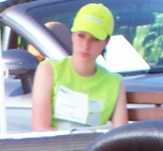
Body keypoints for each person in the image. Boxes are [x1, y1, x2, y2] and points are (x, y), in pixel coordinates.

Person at [30, 3, 129, 133]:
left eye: (94, 39)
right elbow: (41, 128)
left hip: (91, 150)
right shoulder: (48, 70)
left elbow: (120, 135)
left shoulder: (114, 83)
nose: (86, 45)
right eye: (81, 36)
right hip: (52, 148)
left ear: (106, 42)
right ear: (72, 35)